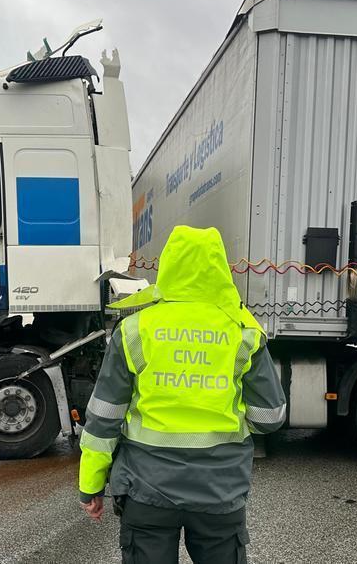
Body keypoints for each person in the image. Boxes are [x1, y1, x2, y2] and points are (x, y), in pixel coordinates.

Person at [78, 225, 286, 563]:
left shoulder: (135, 329)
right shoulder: (243, 331)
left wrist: (91, 484)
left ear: (169, 266)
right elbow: (270, 418)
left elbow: (104, 418)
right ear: (220, 267)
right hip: (219, 492)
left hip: (146, 493)